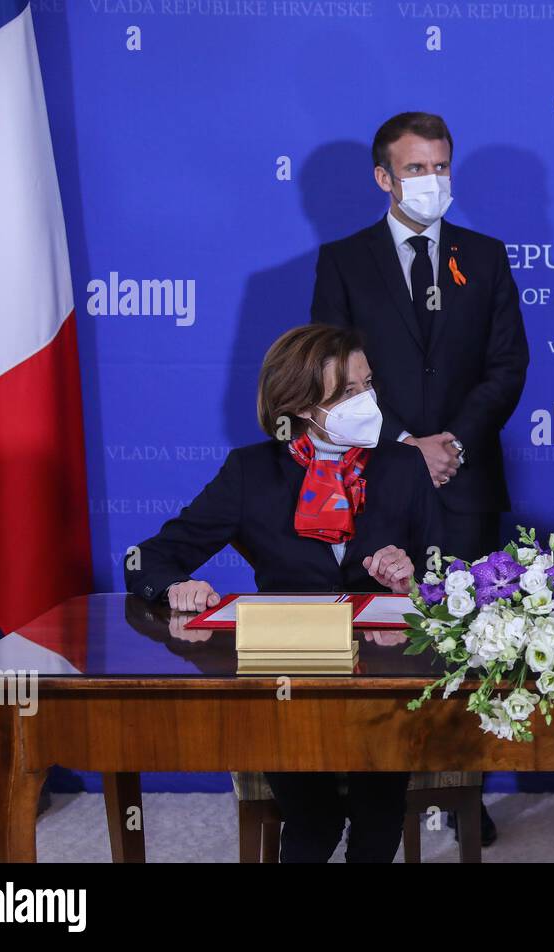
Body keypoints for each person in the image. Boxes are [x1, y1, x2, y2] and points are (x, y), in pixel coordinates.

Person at [126, 324, 440, 862]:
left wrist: (413, 582)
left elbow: (449, 575)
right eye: (346, 393)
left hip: (383, 678)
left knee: (378, 814)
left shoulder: (404, 465)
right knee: (313, 821)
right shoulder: (251, 472)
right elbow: (145, 559)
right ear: (298, 405)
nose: (365, 401)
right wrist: (179, 584)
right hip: (286, 679)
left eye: (367, 385)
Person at [311, 111, 528, 845]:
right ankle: (378, 787)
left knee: (466, 638)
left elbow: (507, 366)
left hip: (465, 476)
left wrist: (454, 442)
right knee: (384, 640)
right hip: (375, 475)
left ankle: (461, 787)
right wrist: (405, 442)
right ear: (384, 177)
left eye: (441, 167)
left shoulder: (487, 256)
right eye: (416, 169)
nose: (433, 182)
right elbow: (328, 375)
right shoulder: (344, 260)